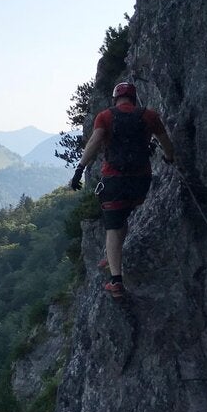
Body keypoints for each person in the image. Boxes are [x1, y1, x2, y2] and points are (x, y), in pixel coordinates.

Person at [70, 82, 175, 298]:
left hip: (115, 180)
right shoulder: (150, 116)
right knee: (125, 213)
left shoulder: (105, 117)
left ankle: (116, 280)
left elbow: (95, 142)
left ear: (115, 98)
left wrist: (79, 169)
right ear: (134, 98)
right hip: (140, 181)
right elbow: (165, 141)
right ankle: (112, 257)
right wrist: (169, 158)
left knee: (113, 225)